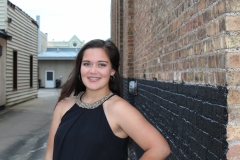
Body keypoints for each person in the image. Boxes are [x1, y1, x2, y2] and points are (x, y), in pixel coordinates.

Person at [44, 39, 170, 160]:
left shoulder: (119, 109)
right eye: (87, 64)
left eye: (101, 65)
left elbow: (160, 148)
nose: (93, 71)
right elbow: (50, 155)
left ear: (112, 70)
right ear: (80, 68)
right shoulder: (63, 105)